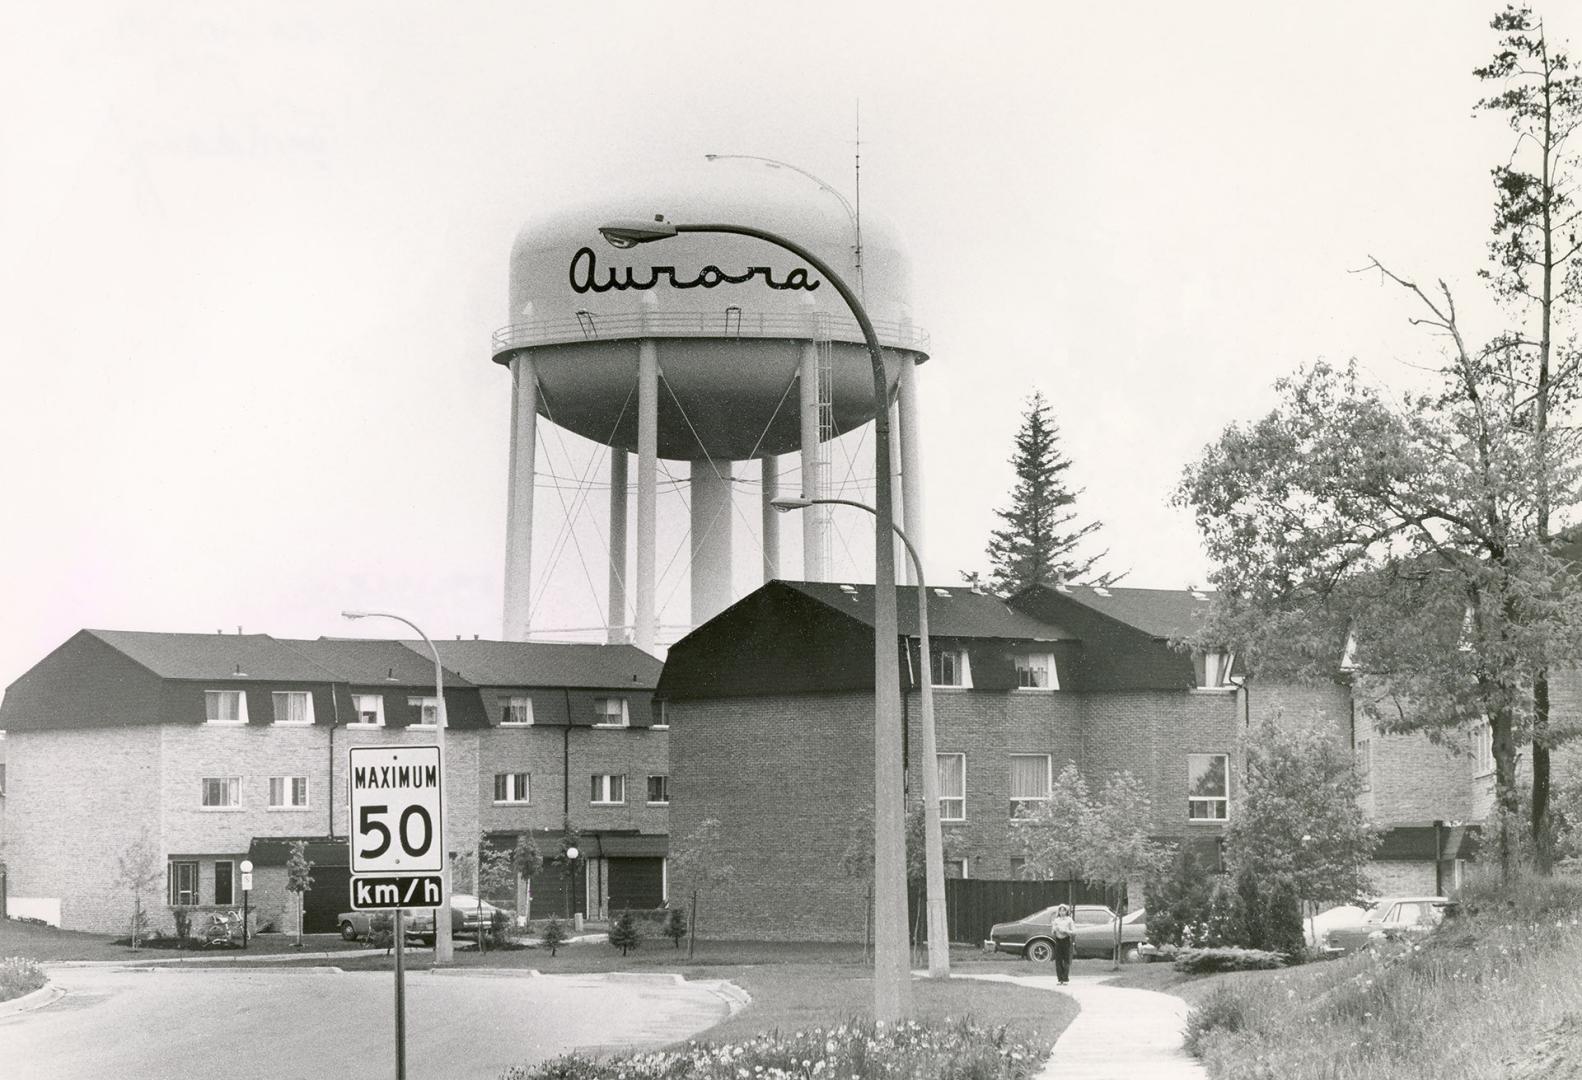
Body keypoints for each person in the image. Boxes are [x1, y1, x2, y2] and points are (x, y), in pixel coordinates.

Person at [1050, 904, 1076, 984]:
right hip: (1058, 941)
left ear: (1066, 911)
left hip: (1066, 940)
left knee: (1066, 960)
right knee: (1058, 960)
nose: (1062, 912)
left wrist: (1066, 931)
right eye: (1060, 910)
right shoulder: (1056, 920)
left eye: (1064, 910)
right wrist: (1054, 930)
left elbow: (1074, 932)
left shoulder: (1069, 920)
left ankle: (1065, 979)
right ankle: (1059, 979)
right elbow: (1053, 932)